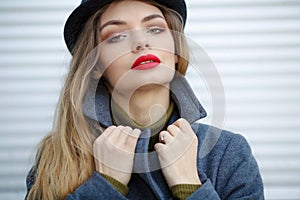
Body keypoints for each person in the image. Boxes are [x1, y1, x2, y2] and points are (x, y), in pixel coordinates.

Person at [25, 0, 264, 199]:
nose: (141, 42)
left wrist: (190, 186)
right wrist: (106, 184)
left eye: (156, 29)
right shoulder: (56, 157)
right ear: (95, 64)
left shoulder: (228, 153)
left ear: (175, 51)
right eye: (117, 36)